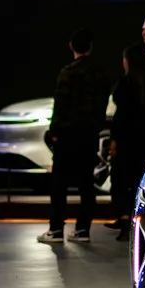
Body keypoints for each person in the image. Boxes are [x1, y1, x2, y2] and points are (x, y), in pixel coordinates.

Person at [39, 28, 105, 244]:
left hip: (67, 135)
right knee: (86, 184)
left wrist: (54, 132)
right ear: (91, 47)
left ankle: (56, 229)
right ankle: (83, 230)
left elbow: (61, 105)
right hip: (88, 135)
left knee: (59, 184)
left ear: (71, 47)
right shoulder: (99, 73)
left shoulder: (67, 72)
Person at [108, 44, 145, 242]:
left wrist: (114, 140)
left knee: (123, 181)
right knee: (141, 182)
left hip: (128, 141)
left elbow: (120, 116)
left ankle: (125, 223)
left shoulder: (126, 83)